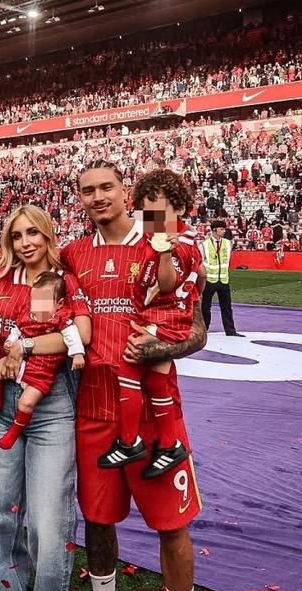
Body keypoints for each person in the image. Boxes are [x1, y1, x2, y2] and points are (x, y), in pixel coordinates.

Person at [62, 160, 206, 591]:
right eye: (88, 190)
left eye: (107, 187)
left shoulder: (164, 241)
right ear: (80, 199)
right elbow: (43, 308)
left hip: (152, 412)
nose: (98, 197)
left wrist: (162, 349)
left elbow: (198, 330)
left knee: (172, 524)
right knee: (97, 518)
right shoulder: (71, 255)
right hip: (92, 409)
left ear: (127, 193)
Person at [0, 204, 91, 591]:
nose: (25, 243)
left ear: (47, 236)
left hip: (50, 406)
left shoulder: (58, 282)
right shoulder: (0, 282)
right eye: (17, 235)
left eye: (33, 234)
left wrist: (22, 348)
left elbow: (77, 336)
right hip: (1, 407)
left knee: (48, 527)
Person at [97, 169, 202, 479]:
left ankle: (130, 441)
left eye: (158, 213)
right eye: (145, 214)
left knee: (128, 371)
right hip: (167, 319)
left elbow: (166, 284)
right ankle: (169, 444)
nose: (151, 220)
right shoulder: (168, 238)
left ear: (179, 208)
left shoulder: (174, 244)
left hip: (162, 321)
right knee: (157, 382)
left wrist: (165, 255)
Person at [0, 271, 86, 449]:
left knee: (26, 402)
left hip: (42, 370)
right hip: (16, 367)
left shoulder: (61, 316)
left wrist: (77, 353)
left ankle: (15, 430)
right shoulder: (28, 312)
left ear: (59, 304)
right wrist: (11, 341)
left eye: (44, 302)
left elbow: (75, 335)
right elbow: (17, 328)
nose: (38, 307)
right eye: (36, 301)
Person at [200, 220, 244, 337]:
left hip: (224, 280)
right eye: (222, 229)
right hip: (209, 280)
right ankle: (204, 330)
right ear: (214, 230)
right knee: (205, 307)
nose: (224, 231)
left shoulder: (228, 243)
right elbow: (200, 263)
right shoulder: (204, 245)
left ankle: (230, 331)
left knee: (227, 307)